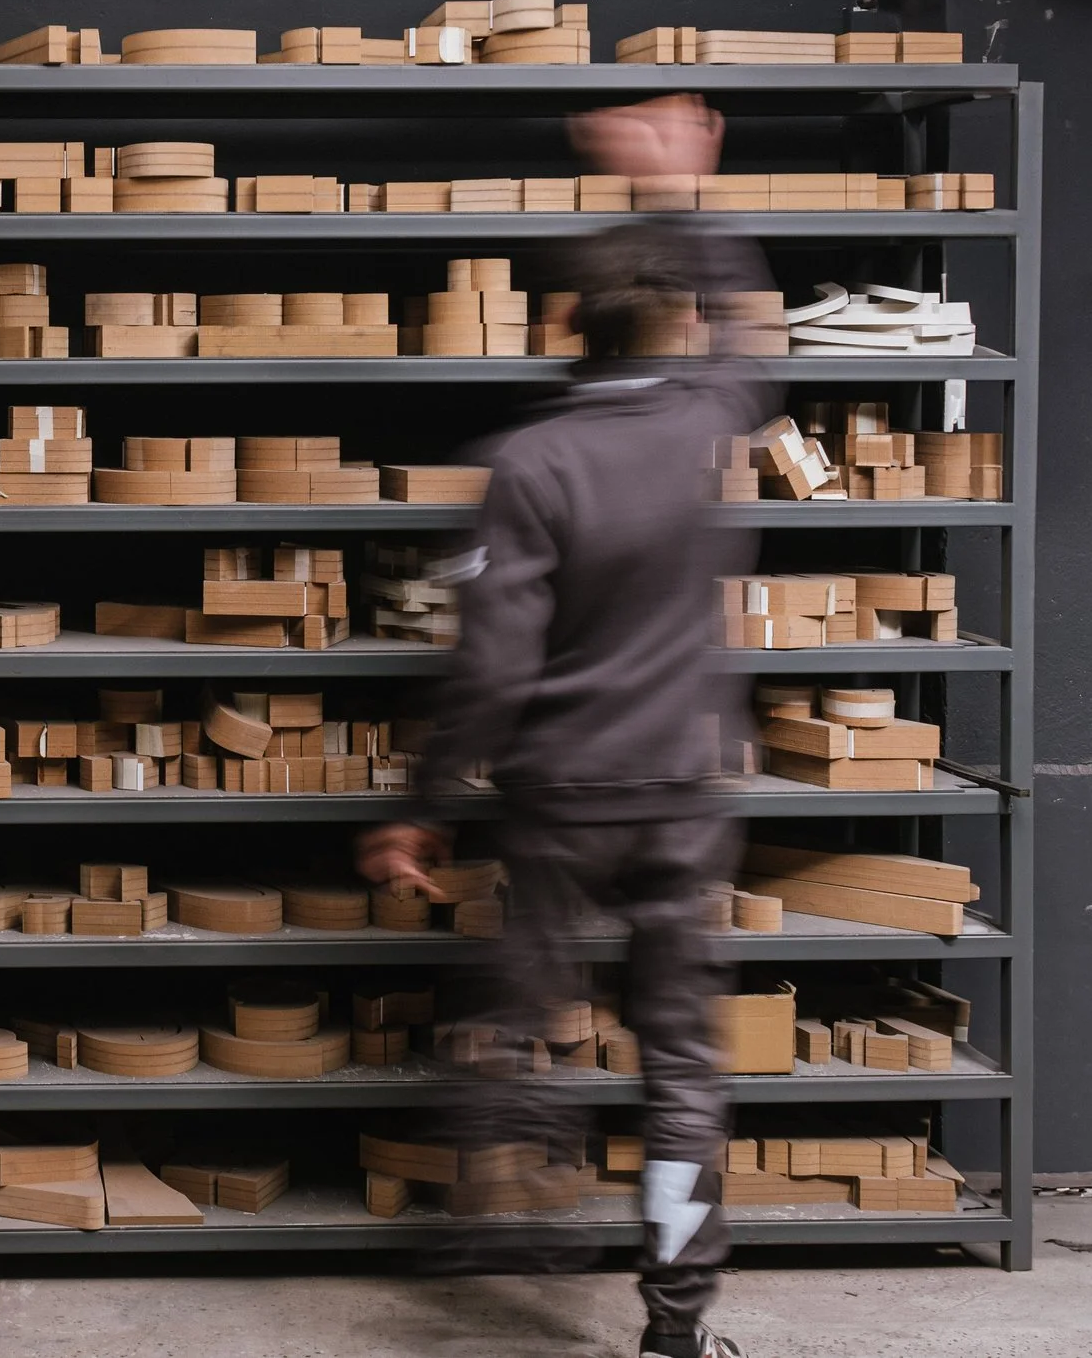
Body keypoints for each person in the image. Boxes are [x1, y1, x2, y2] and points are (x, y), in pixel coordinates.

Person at [357, 95, 781, 1358]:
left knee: (519, 1018)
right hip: (681, 802)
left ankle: (514, 1188)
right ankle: (675, 1323)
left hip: (559, 802)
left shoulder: (530, 462)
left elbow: (492, 661)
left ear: (560, 329)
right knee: (683, 1075)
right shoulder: (711, 423)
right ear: (670, 322)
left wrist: (423, 801)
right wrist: (686, 191)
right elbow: (758, 342)